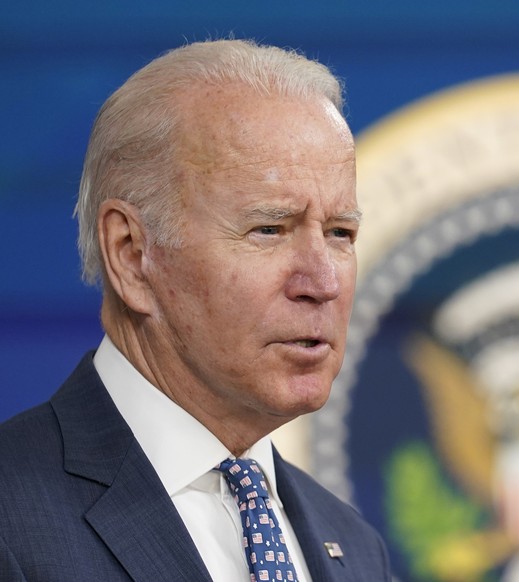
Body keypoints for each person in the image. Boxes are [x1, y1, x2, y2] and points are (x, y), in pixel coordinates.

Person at [0, 39, 391, 581]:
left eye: (340, 233)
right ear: (132, 255)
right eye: (269, 230)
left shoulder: (356, 548)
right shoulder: (13, 521)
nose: (322, 282)